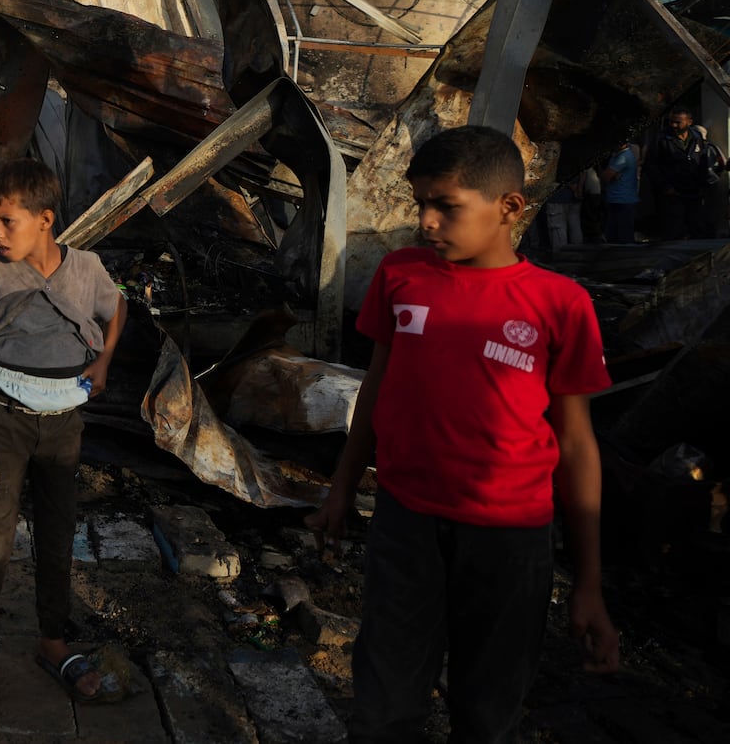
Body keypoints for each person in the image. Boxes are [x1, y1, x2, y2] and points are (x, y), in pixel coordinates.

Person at [306, 125, 620, 744]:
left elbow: (578, 445)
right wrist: (341, 489)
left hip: (511, 539)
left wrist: (587, 583)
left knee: (488, 710)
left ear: (509, 207)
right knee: (383, 705)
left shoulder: (560, 304)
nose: (425, 221)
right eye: (421, 202)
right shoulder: (401, 277)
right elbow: (376, 389)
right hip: (406, 523)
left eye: (445, 206)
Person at [0, 159, 128, 728]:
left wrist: (106, 359)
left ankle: (52, 641)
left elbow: (118, 310)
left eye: (6, 222)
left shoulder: (86, 269)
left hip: (64, 424)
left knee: (58, 533)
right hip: (6, 421)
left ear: (45, 221)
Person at [648, 107, 719, 240]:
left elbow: (702, 163)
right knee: (674, 230)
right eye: (671, 122)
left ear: (689, 122)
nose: (674, 125)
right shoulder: (661, 139)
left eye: (678, 122)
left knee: (697, 228)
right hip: (673, 193)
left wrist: (702, 185)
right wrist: (665, 187)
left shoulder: (697, 138)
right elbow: (652, 167)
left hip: (694, 193)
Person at [601, 138, 641, 244]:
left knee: (623, 236)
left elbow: (606, 176)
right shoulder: (617, 155)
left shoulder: (624, 156)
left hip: (624, 200)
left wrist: (610, 174)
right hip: (617, 199)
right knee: (613, 235)